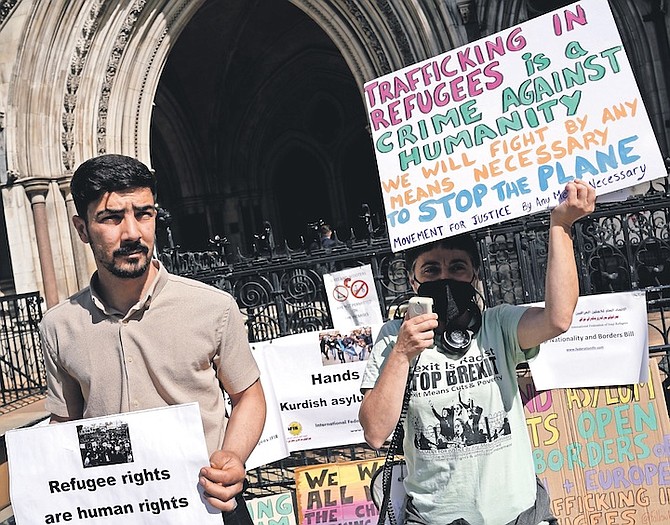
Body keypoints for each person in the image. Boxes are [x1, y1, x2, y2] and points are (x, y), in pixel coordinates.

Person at [39, 153, 266, 517]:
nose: (132, 233)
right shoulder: (58, 326)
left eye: (143, 214)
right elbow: (65, 422)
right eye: (111, 218)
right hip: (114, 512)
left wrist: (233, 457)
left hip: (207, 507)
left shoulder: (213, 307)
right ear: (82, 229)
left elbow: (248, 396)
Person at [359, 180, 596, 525]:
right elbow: (376, 432)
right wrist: (401, 354)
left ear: (473, 276)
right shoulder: (394, 338)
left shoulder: (497, 325)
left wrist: (560, 225)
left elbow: (557, 319)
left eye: (457, 267)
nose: (445, 276)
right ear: (413, 282)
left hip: (518, 516)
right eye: (431, 270)